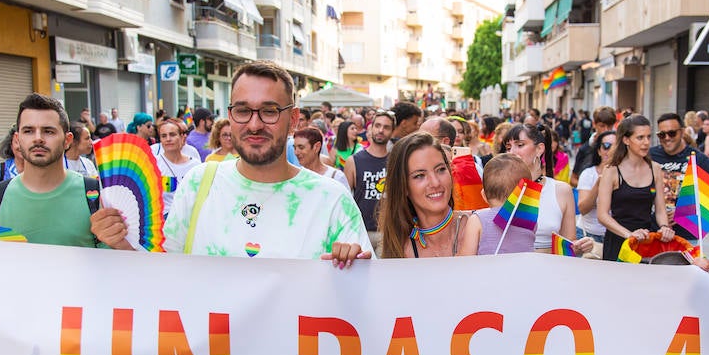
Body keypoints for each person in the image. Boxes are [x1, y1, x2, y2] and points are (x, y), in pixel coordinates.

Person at [133, 62, 367, 264]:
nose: (254, 124)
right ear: (230, 115)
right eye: (243, 111)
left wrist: (355, 268)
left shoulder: (331, 198)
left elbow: (363, 299)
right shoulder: (199, 183)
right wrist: (121, 244)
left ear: (293, 119)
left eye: (269, 111)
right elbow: (161, 275)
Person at [0, 94, 114, 248]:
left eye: (48, 131)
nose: (38, 138)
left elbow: (114, 263)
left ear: (67, 140)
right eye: (28, 131)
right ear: (17, 140)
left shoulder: (95, 195)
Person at [377, 132, 481, 259]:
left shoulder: (482, 226)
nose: (435, 182)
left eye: (441, 170)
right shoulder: (399, 249)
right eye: (419, 175)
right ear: (403, 187)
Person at [500, 123, 592, 255]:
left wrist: (580, 247)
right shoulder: (501, 186)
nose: (512, 152)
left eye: (520, 145)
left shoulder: (561, 190)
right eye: (508, 147)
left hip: (550, 268)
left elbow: (568, 244)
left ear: (539, 149)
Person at [594, 115, 674, 262]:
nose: (646, 143)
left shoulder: (654, 168)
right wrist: (629, 235)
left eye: (649, 137)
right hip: (619, 240)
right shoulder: (611, 170)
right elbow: (602, 215)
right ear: (626, 140)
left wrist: (664, 227)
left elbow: (661, 209)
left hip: (645, 240)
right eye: (640, 138)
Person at [650, 113, 709, 235]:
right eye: (661, 134)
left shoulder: (699, 160)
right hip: (652, 232)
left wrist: (682, 213)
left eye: (672, 133)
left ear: (681, 132)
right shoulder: (650, 156)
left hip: (686, 236)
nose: (666, 138)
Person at [345, 109, 394, 252]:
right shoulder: (354, 161)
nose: (381, 130)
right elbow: (346, 199)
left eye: (386, 127)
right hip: (361, 230)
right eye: (377, 125)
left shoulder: (395, 162)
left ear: (392, 132)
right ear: (370, 128)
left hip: (386, 231)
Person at [474, 155, 538, 256]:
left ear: (484, 195)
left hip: (488, 271)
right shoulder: (529, 219)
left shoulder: (477, 220)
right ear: (525, 194)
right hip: (526, 270)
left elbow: (465, 259)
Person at [154, 118, 202, 217]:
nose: (168, 139)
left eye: (172, 134)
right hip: (165, 222)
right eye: (164, 136)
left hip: (191, 219)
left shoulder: (195, 165)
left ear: (181, 137)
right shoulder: (154, 165)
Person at [575, 130, 616, 249]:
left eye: (616, 146)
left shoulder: (625, 174)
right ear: (599, 150)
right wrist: (599, 184)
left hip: (616, 236)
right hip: (589, 236)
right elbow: (583, 208)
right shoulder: (588, 174)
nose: (611, 151)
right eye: (606, 146)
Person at [571, 106, 616, 185]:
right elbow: (573, 179)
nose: (606, 130)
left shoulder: (619, 148)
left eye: (609, 126)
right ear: (594, 124)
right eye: (602, 126)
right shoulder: (584, 149)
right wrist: (588, 187)